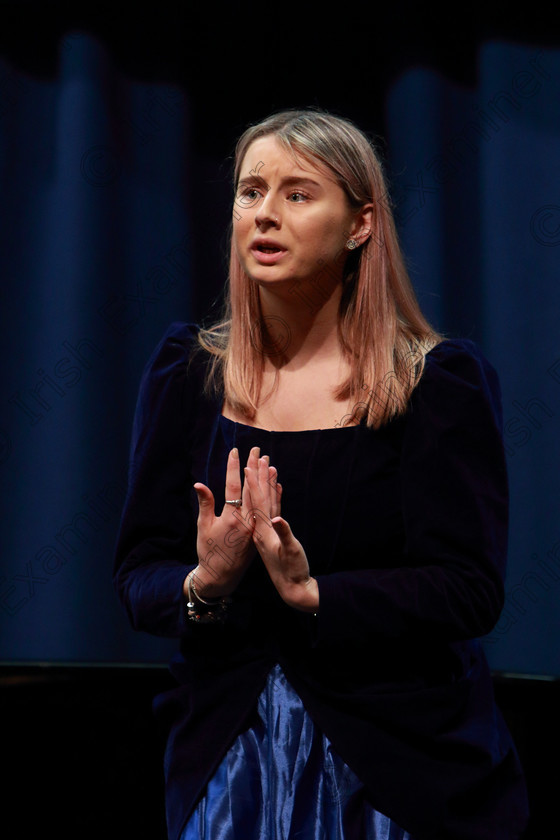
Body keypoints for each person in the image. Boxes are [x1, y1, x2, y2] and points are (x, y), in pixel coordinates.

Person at [114, 109, 529, 840]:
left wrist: (315, 596)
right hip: (227, 760)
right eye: (251, 192)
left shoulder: (434, 384)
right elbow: (139, 573)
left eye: (298, 195)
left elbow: (469, 588)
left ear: (361, 224)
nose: (265, 215)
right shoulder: (189, 375)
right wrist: (204, 583)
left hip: (398, 763)